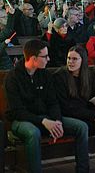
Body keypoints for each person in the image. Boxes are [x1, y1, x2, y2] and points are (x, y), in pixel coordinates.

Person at [5, 39, 89, 173]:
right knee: (33, 133)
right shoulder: (13, 77)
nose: (48, 59)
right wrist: (43, 121)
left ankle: (83, 170)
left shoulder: (45, 74)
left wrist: (57, 121)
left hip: (46, 118)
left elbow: (53, 102)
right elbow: (17, 111)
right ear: (33, 58)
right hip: (21, 121)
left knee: (81, 127)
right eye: (45, 56)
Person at [54, 46, 95, 172]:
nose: (70, 62)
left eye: (74, 59)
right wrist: (90, 114)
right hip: (71, 115)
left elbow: (91, 97)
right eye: (68, 58)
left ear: (82, 60)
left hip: (86, 111)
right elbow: (65, 106)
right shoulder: (60, 76)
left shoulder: (88, 74)